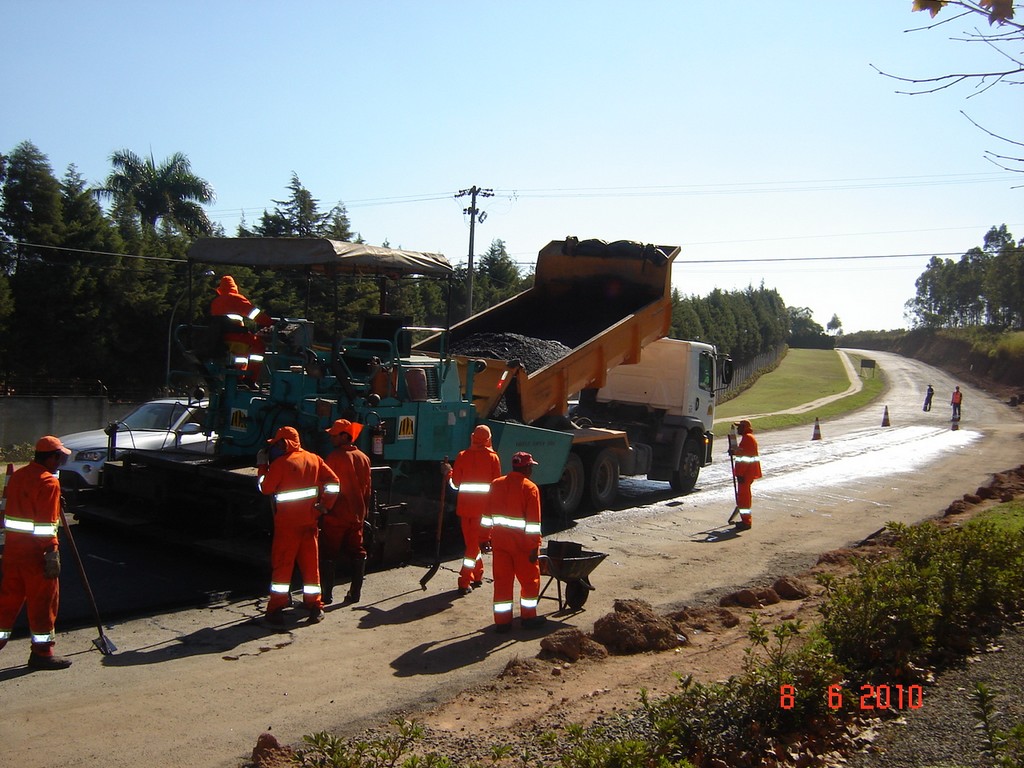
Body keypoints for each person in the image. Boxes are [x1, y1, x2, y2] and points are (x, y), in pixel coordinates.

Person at [0, 436, 73, 670]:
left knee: (7, 602)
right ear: (51, 457)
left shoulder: (19, 475)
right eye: (60, 457)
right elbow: (45, 524)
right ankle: (42, 653)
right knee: (43, 604)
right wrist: (52, 552)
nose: (61, 461)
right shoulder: (49, 483)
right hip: (36, 557)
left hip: (13, 553)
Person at [258, 426, 339, 625]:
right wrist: (324, 506)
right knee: (311, 568)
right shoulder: (314, 459)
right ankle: (315, 607)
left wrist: (262, 466)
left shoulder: (280, 464)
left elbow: (265, 487)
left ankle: (276, 608)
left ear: (285, 443)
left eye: (277, 444)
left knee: (282, 569)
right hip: (309, 523)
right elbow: (334, 482)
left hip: (288, 527)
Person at [488, 451, 545, 633]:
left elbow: (486, 514)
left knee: (502, 583)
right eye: (531, 467)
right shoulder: (530, 488)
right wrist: (534, 547)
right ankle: (528, 618)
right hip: (522, 546)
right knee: (529, 582)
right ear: (527, 468)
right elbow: (533, 523)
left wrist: (483, 538)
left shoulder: (496, 484)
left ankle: (502, 622)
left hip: (500, 544)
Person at [321, 419, 373, 605]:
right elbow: (367, 489)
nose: (331, 438)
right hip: (356, 515)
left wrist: (323, 507)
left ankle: (326, 595)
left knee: (329, 553)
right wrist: (364, 512)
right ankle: (355, 593)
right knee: (357, 552)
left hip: (337, 514)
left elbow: (327, 486)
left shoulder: (334, 458)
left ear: (345, 436)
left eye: (334, 435)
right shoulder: (364, 458)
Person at [449, 424, 502, 596]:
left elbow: (455, 484)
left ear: (472, 437)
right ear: (488, 439)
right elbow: (497, 485)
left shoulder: (462, 456)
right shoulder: (493, 458)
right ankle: (466, 580)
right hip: (484, 511)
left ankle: (475, 575)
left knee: (471, 545)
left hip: (465, 510)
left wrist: (448, 474)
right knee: (473, 546)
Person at [210, 275, 274, 385]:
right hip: (236, 336)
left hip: (219, 337)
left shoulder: (216, 301)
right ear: (234, 287)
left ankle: (239, 378)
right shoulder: (237, 298)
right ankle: (250, 379)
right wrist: (271, 323)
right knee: (259, 345)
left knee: (241, 353)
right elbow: (255, 314)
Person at [730, 420, 762, 530]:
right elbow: (743, 453)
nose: (738, 429)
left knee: (744, 498)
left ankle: (746, 522)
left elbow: (745, 459)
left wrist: (740, 474)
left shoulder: (747, 438)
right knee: (743, 497)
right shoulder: (748, 438)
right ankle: (745, 520)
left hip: (746, 473)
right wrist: (735, 452)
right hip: (747, 472)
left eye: (739, 427)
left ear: (744, 427)